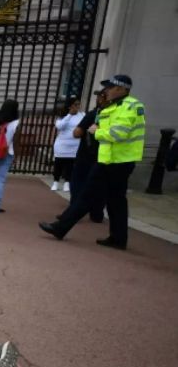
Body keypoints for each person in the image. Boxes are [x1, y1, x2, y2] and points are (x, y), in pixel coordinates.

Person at [40, 75, 146, 250]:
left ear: (121, 89)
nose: (107, 91)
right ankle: (118, 238)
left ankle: (61, 227)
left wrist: (97, 132)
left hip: (115, 162)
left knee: (87, 195)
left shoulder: (131, 106)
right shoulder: (113, 106)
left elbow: (118, 134)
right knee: (116, 201)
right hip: (111, 160)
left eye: (110, 87)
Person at [60, 89, 108, 222]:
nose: (98, 99)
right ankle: (96, 213)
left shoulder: (94, 114)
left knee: (78, 183)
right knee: (100, 185)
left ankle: (73, 212)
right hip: (104, 156)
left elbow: (77, 133)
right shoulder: (113, 116)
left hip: (87, 154)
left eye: (99, 96)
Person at [51, 97, 84, 192]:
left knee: (70, 164)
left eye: (79, 104)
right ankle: (56, 182)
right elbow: (60, 126)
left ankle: (67, 183)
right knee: (58, 163)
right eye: (75, 104)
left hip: (75, 144)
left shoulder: (82, 115)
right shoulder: (63, 116)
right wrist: (69, 115)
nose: (78, 106)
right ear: (70, 105)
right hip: (62, 144)